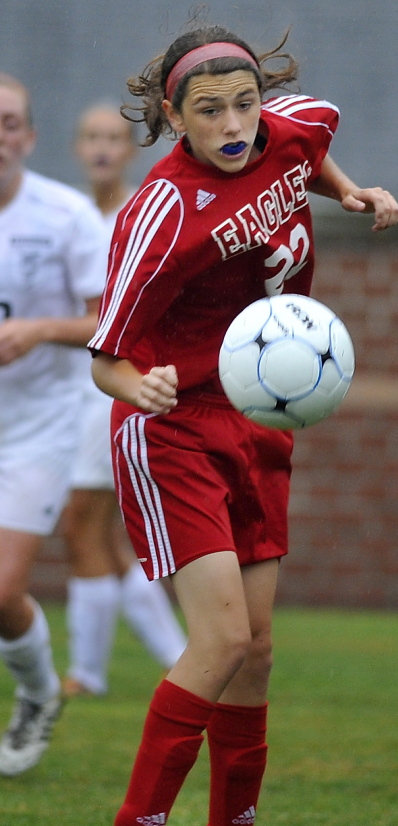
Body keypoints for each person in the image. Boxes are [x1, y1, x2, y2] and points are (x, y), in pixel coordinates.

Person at [81, 24, 398, 826]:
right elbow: (107, 357)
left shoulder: (292, 128)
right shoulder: (160, 214)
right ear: (172, 116)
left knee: (257, 653)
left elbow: (315, 144)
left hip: (258, 421)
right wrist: (137, 386)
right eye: (208, 110)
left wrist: (349, 193)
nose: (232, 124)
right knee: (221, 638)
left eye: (244, 103)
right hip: (171, 422)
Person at [0, 74, 108, 776]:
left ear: (29, 137)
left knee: (2, 590)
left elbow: (107, 321)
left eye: (8, 122)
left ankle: (40, 691)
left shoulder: (68, 216)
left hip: (38, 424)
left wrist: (40, 329)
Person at [61, 103, 187, 698]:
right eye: (91, 138)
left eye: (113, 137)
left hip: (111, 383)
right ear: (75, 148)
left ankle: (86, 674)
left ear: (131, 148)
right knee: (105, 536)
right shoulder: (63, 215)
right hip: (63, 391)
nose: (102, 148)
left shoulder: (142, 213)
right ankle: (179, 654)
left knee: (83, 523)